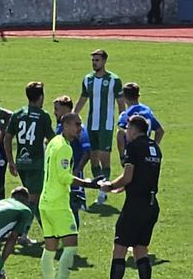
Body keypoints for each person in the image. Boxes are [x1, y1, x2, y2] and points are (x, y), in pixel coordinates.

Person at [85, 114, 162, 279]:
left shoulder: (134, 146)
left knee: (119, 248)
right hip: (151, 204)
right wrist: (125, 187)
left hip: (135, 206)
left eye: (127, 128)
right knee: (140, 249)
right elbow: (143, 176)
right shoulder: (155, 147)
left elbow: (128, 176)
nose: (126, 132)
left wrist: (110, 186)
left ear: (134, 129)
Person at [38, 113, 86, 279]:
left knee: (50, 248)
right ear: (65, 125)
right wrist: (88, 183)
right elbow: (64, 176)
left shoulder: (53, 142)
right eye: (76, 124)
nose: (79, 128)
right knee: (71, 244)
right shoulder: (65, 148)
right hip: (58, 204)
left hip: (45, 203)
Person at [74, 48, 124, 206]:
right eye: (93, 60)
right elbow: (83, 98)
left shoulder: (114, 80)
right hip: (91, 125)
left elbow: (120, 103)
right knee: (93, 159)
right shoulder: (88, 79)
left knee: (104, 159)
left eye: (97, 60)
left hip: (106, 125)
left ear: (104, 61)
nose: (94, 63)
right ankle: (101, 188)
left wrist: (123, 122)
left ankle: (103, 193)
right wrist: (73, 115)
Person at [5, 81, 55, 237]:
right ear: (41, 97)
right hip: (36, 164)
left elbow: (7, 138)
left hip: (21, 162)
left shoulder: (17, 114)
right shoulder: (43, 116)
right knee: (33, 200)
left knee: (37, 198)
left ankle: (49, 232)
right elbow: (52, 139)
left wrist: (11, 161)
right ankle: (22, 234)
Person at [54, 95, 92, 217]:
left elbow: (87, 152)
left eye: (57, 109)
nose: (54, 113)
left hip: (73, 173)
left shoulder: (79, 128)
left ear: (66, 109)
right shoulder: (60, 127)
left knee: (74, 206)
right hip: (62, 174)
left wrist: (77, 170)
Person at [116, 82, 164, 161]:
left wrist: (122, 156)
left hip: (132, 151)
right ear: (138, 96)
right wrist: (154, 145)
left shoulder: (126, 114)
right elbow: (160, 131)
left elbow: (120, 134)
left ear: (124, 97)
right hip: (146, 149)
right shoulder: (147, 111)